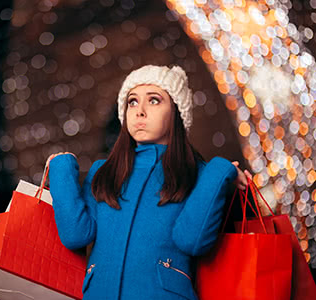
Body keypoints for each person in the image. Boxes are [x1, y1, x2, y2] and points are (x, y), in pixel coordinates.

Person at [47, 65, 252, 300]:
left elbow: (192, 241)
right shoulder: (103, 171)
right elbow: (76, 235)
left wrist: (220, 170)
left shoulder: (198, 173)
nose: (139, 111)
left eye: (154, 100)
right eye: (132, 102)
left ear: (177, 112)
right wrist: (61, 169)